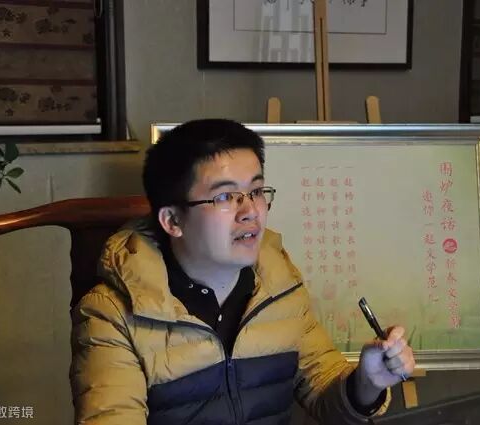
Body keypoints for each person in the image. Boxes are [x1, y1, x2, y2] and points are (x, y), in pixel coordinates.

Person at [70, 119, 415, 425]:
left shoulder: (278, 282)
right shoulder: (111, 313)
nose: (250, 210)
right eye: (225, 197)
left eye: (256, 191)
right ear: (173, 220)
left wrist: (366, 382)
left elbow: (324, 393)